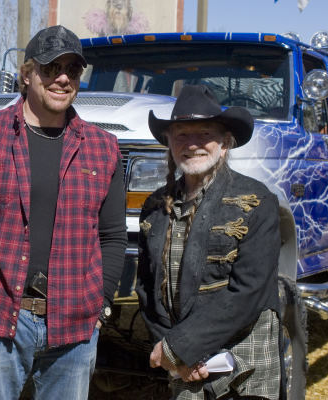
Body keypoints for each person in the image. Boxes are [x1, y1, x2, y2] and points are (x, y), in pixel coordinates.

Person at [0, 25, 127, 400]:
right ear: (27, 73)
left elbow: (112, 236)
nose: (62, 78)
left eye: (72, 70)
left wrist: (100, 304)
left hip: (75, 327)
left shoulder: (104, 148)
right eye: (50, 68)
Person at [137, 85, 283, 400]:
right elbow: (147, 289)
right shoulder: (154, 208)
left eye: (204, 134)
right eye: (181, 136)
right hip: (185, 364)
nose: (193, 145)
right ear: (169, 144)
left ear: (225, 143)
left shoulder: (257, 202)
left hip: (244, 362)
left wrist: (178, 348)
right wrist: (170, 351)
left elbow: (248, 291)